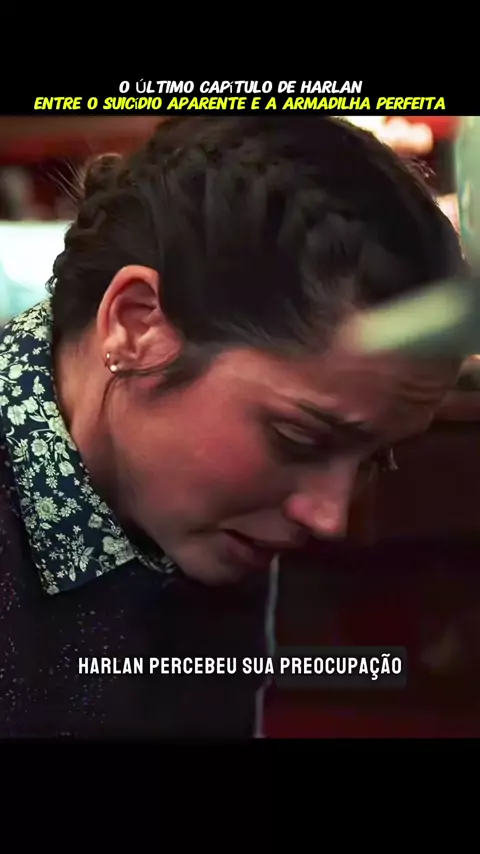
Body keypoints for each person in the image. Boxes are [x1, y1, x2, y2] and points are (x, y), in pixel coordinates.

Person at [0, 117, 465, 738]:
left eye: (373, 459)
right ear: (137, 324)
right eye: (298, 438)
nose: (330, 518)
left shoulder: (203, 520)